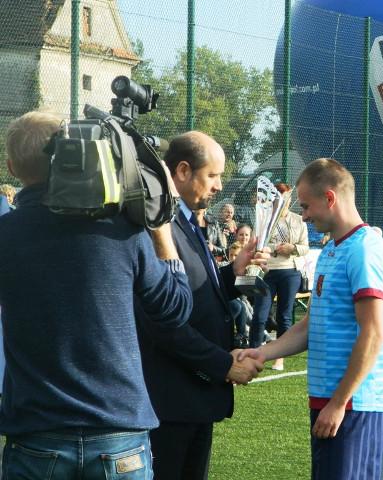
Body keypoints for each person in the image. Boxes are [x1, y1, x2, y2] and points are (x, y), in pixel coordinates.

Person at [0, 111, 193, 479]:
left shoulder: (5, 233)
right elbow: (175, 309)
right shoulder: (122, 230)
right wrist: (161, 230)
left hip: (37, 431)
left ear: (12, 167)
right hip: (118, 428)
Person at [239, 158, 383, 480]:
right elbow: (311, 326)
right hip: (329, 399)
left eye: (307, 206)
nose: (305, 215)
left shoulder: (364, 250)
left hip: (353, 403)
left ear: (330, 198)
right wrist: (261, 352)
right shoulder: (332, 251)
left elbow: (373, 333)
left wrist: (339, 402)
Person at [135, 131, 267, 480]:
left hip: (193, 399)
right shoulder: (158, 225)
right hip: (170, 402)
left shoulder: (184, 220)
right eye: (213, 175)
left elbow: (192, 292)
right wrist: (223, 365)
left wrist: (233, 272)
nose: (219, 186)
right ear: (182, 171)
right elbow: (163, 321)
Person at [249, 182, 309, 372]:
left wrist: (292, 248)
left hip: (290, 271)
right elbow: (256, 243)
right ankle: (252, 354)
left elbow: (305, 247)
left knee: (284, 315)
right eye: (280, 197)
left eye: (287, 197)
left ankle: (279, 358)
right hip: (267, 271)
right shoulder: (264, 218)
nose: (284, 201)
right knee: (259, 315)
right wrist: (275, 248)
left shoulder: (298, 220)